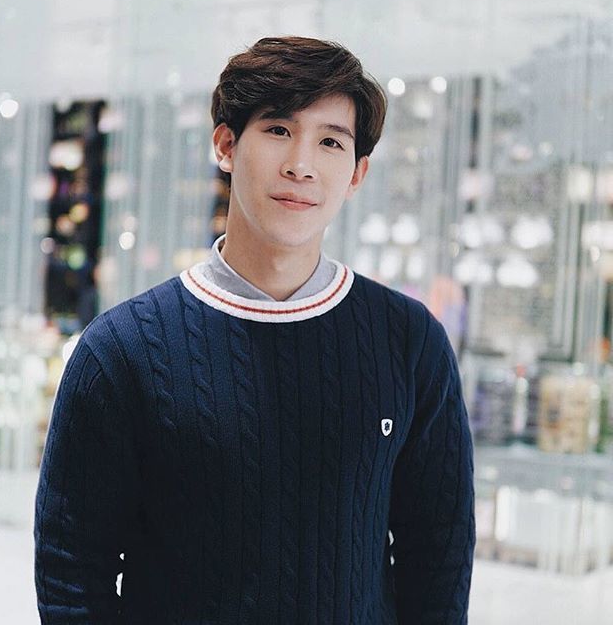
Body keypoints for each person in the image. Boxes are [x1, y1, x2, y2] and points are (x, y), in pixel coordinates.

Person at [34, 36, 475, 624]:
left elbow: (438, 556)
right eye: (278, 130)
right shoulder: (122, 351)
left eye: (330, 142)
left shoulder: (409, 341)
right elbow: (71, 570)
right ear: (226, 144)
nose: (301, 165)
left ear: (357, 173)